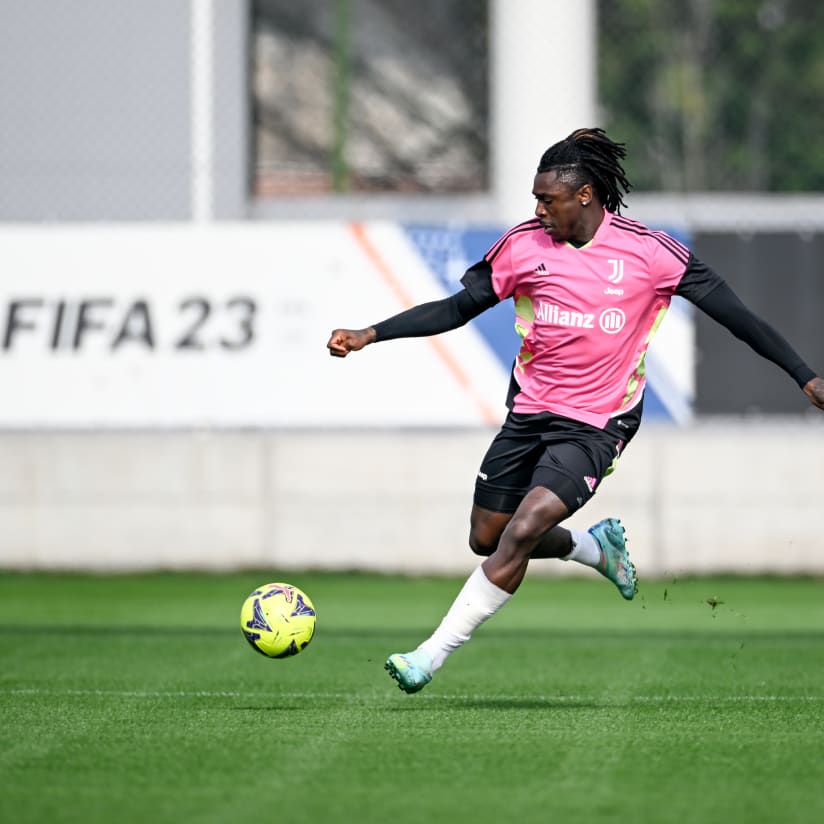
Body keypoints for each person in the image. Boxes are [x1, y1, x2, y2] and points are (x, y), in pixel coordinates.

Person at [327, 127, 824, 694]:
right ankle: (593, 547)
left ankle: (428, 656)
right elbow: (458, 307)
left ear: (585, 195)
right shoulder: (523, 246)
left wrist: (804, 376)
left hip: (599, 421)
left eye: (547, 199)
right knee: (487, 538)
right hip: (530, 411)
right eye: (536, 199)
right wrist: (371, 333)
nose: (537, 210)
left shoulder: (649, 253)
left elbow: (741, 319)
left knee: (523, 529)